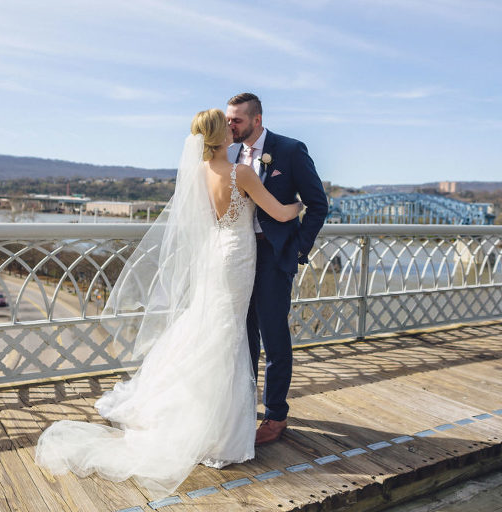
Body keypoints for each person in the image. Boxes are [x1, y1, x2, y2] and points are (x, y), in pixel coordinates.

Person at [34, 108, 303, 499]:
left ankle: (184, 408)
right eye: (226, 126)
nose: (233, 129)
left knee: (209, 324)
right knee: (225, 332)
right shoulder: (240, 173)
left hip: (215, 255)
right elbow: (277, 211)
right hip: (237, 256)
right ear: (220, 136)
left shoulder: (197, 174)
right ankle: (217, 429)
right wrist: (300, 207)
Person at [226, 93, 328, 445]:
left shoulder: (290, 150)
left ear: (256, 120)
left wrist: (299, 246)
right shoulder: (230, 153)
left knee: (273, 336)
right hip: (238, 255)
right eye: (228, 119)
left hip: (273, 255)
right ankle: (244, 406)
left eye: (236, 120)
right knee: (243, 336)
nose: (230, 125)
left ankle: (275, 416)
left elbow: (318, 205)